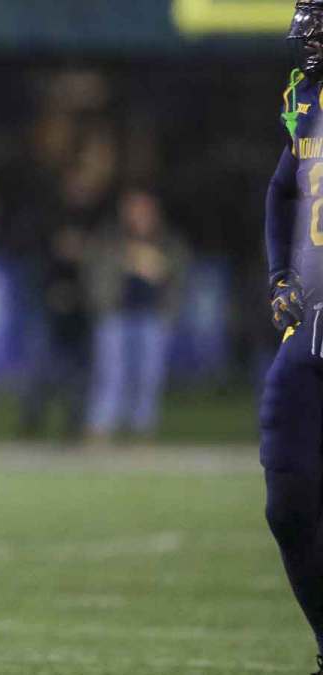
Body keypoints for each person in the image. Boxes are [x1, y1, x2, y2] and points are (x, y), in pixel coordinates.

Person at [262, 3, 323, 672]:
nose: (310, 40)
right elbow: (282, 189)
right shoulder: (303, 96)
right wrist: (280, 272)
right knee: (289, 500)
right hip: (310, 328)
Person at [83, 187, 188, 441]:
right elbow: (94, 271)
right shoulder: (110, 239)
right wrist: (126, 261)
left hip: (154, 315)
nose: (138, 215)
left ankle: (141, 430)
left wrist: (157, 267)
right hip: (115, 313)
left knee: (148, 374)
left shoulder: (168, 241)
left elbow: (179, 274)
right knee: (111, 372)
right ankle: (101, 427)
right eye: (133, 209)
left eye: (144, 209)